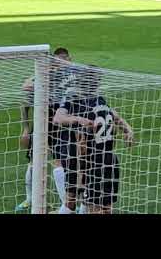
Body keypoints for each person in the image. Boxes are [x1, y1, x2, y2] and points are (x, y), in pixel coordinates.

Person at [53, 79, 134, 214]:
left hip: (91, 161)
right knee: (106, 207)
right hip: (110, 160)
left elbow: (81, 143)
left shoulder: (84, 107)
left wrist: (81, 170)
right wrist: (128, 130)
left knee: (86, 204)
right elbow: (115, 117)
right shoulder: (101, 103)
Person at [15, 48, 74, 212]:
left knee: (60, 161)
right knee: (34, 161)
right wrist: (26, 128)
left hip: (61, 124)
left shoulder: (72, 76)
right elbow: (25, 93)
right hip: (42, 122)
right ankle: (30, 199)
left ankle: (65, 205)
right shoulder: (47, 76)